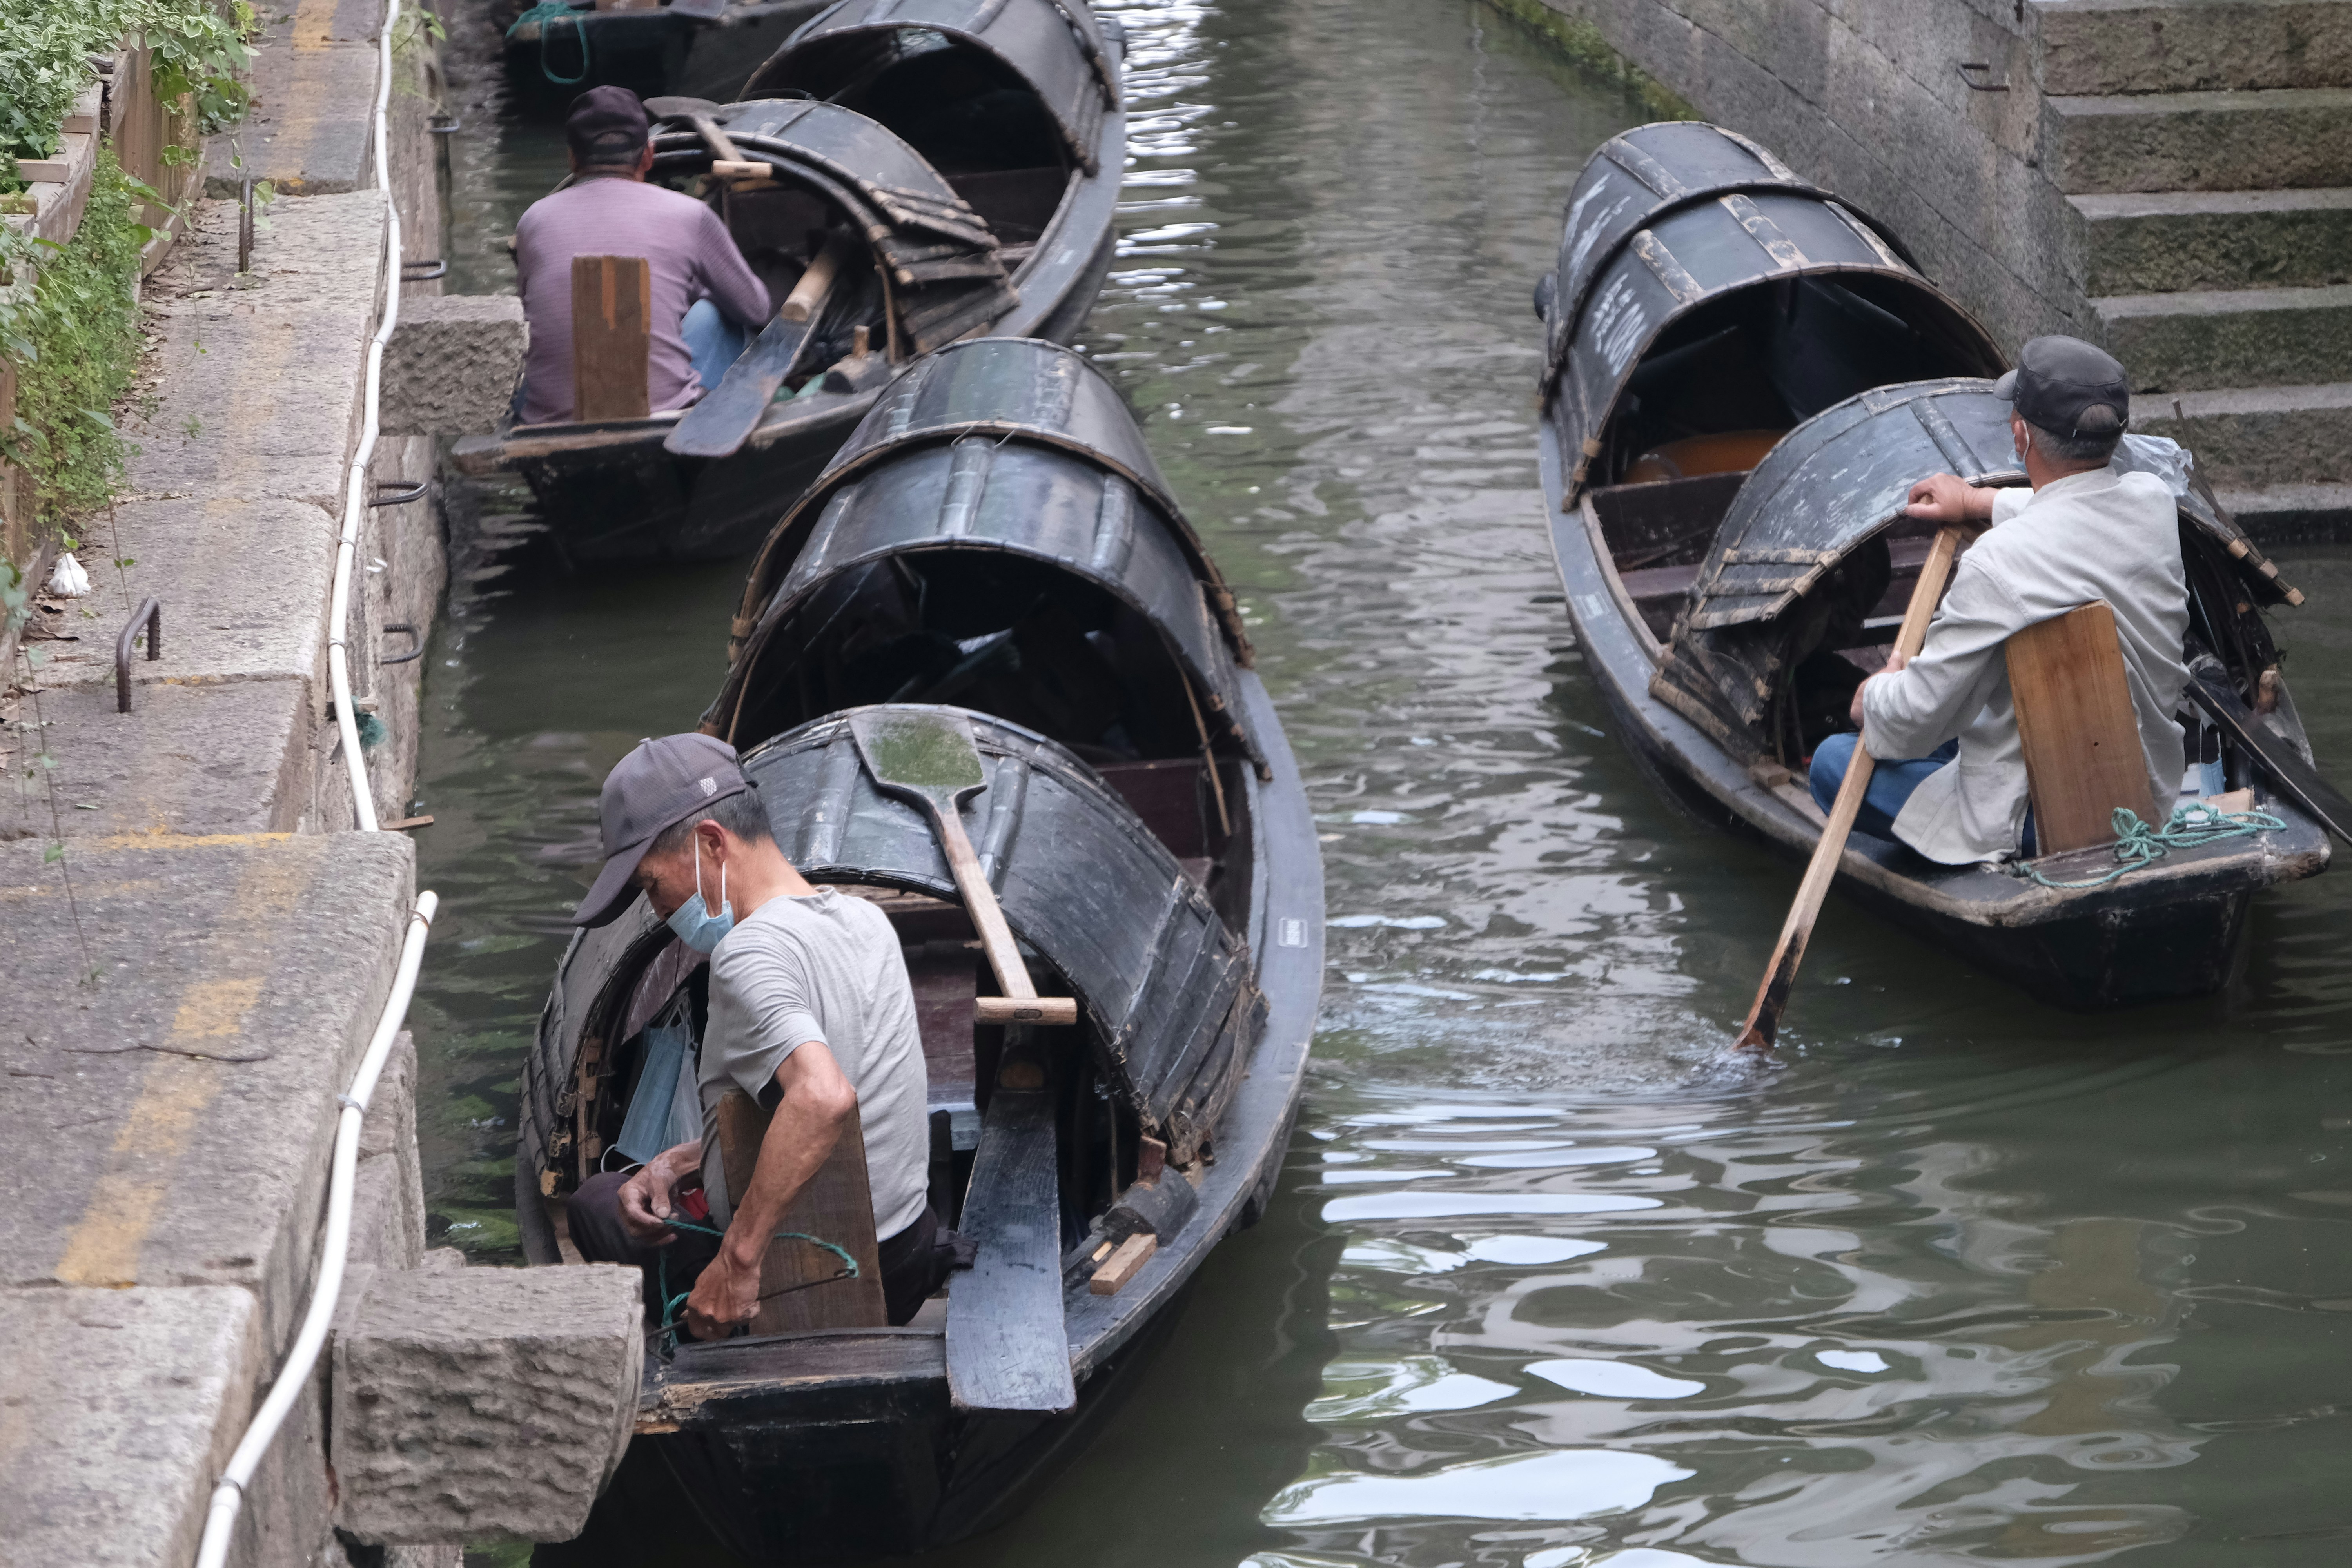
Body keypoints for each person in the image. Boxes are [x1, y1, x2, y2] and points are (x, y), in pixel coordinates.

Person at [564, 734, 961, 1338]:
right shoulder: (865, 919)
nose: (659, 910)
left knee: (597, 1204)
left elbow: (824, 1097)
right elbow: (848, 1094)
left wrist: (738, 1262)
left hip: (812, 1275)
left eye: (650, 885)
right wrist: (685, 1160)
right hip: (906, 1255)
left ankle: (708, 1345)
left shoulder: (746, 954)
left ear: (710, 844)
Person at [1809, 336, 2189, 864]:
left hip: (2040, 822)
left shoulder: (1997, 563)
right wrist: (1974, 501)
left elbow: (1909, 725)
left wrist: (1872, 697)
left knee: (1834, 759)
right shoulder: (2153, 504)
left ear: (2020, 437)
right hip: (2146, 799)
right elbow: (2066, 512)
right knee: (1956, 717)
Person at [512, 87, 772, 425]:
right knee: (713, 314)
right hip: (662, 415)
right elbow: (756, 309)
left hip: (547, 421)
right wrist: (701, 289)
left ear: (573, 159)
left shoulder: (533, 219)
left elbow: (525, 312)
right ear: (648, 157)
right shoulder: (690, 215)